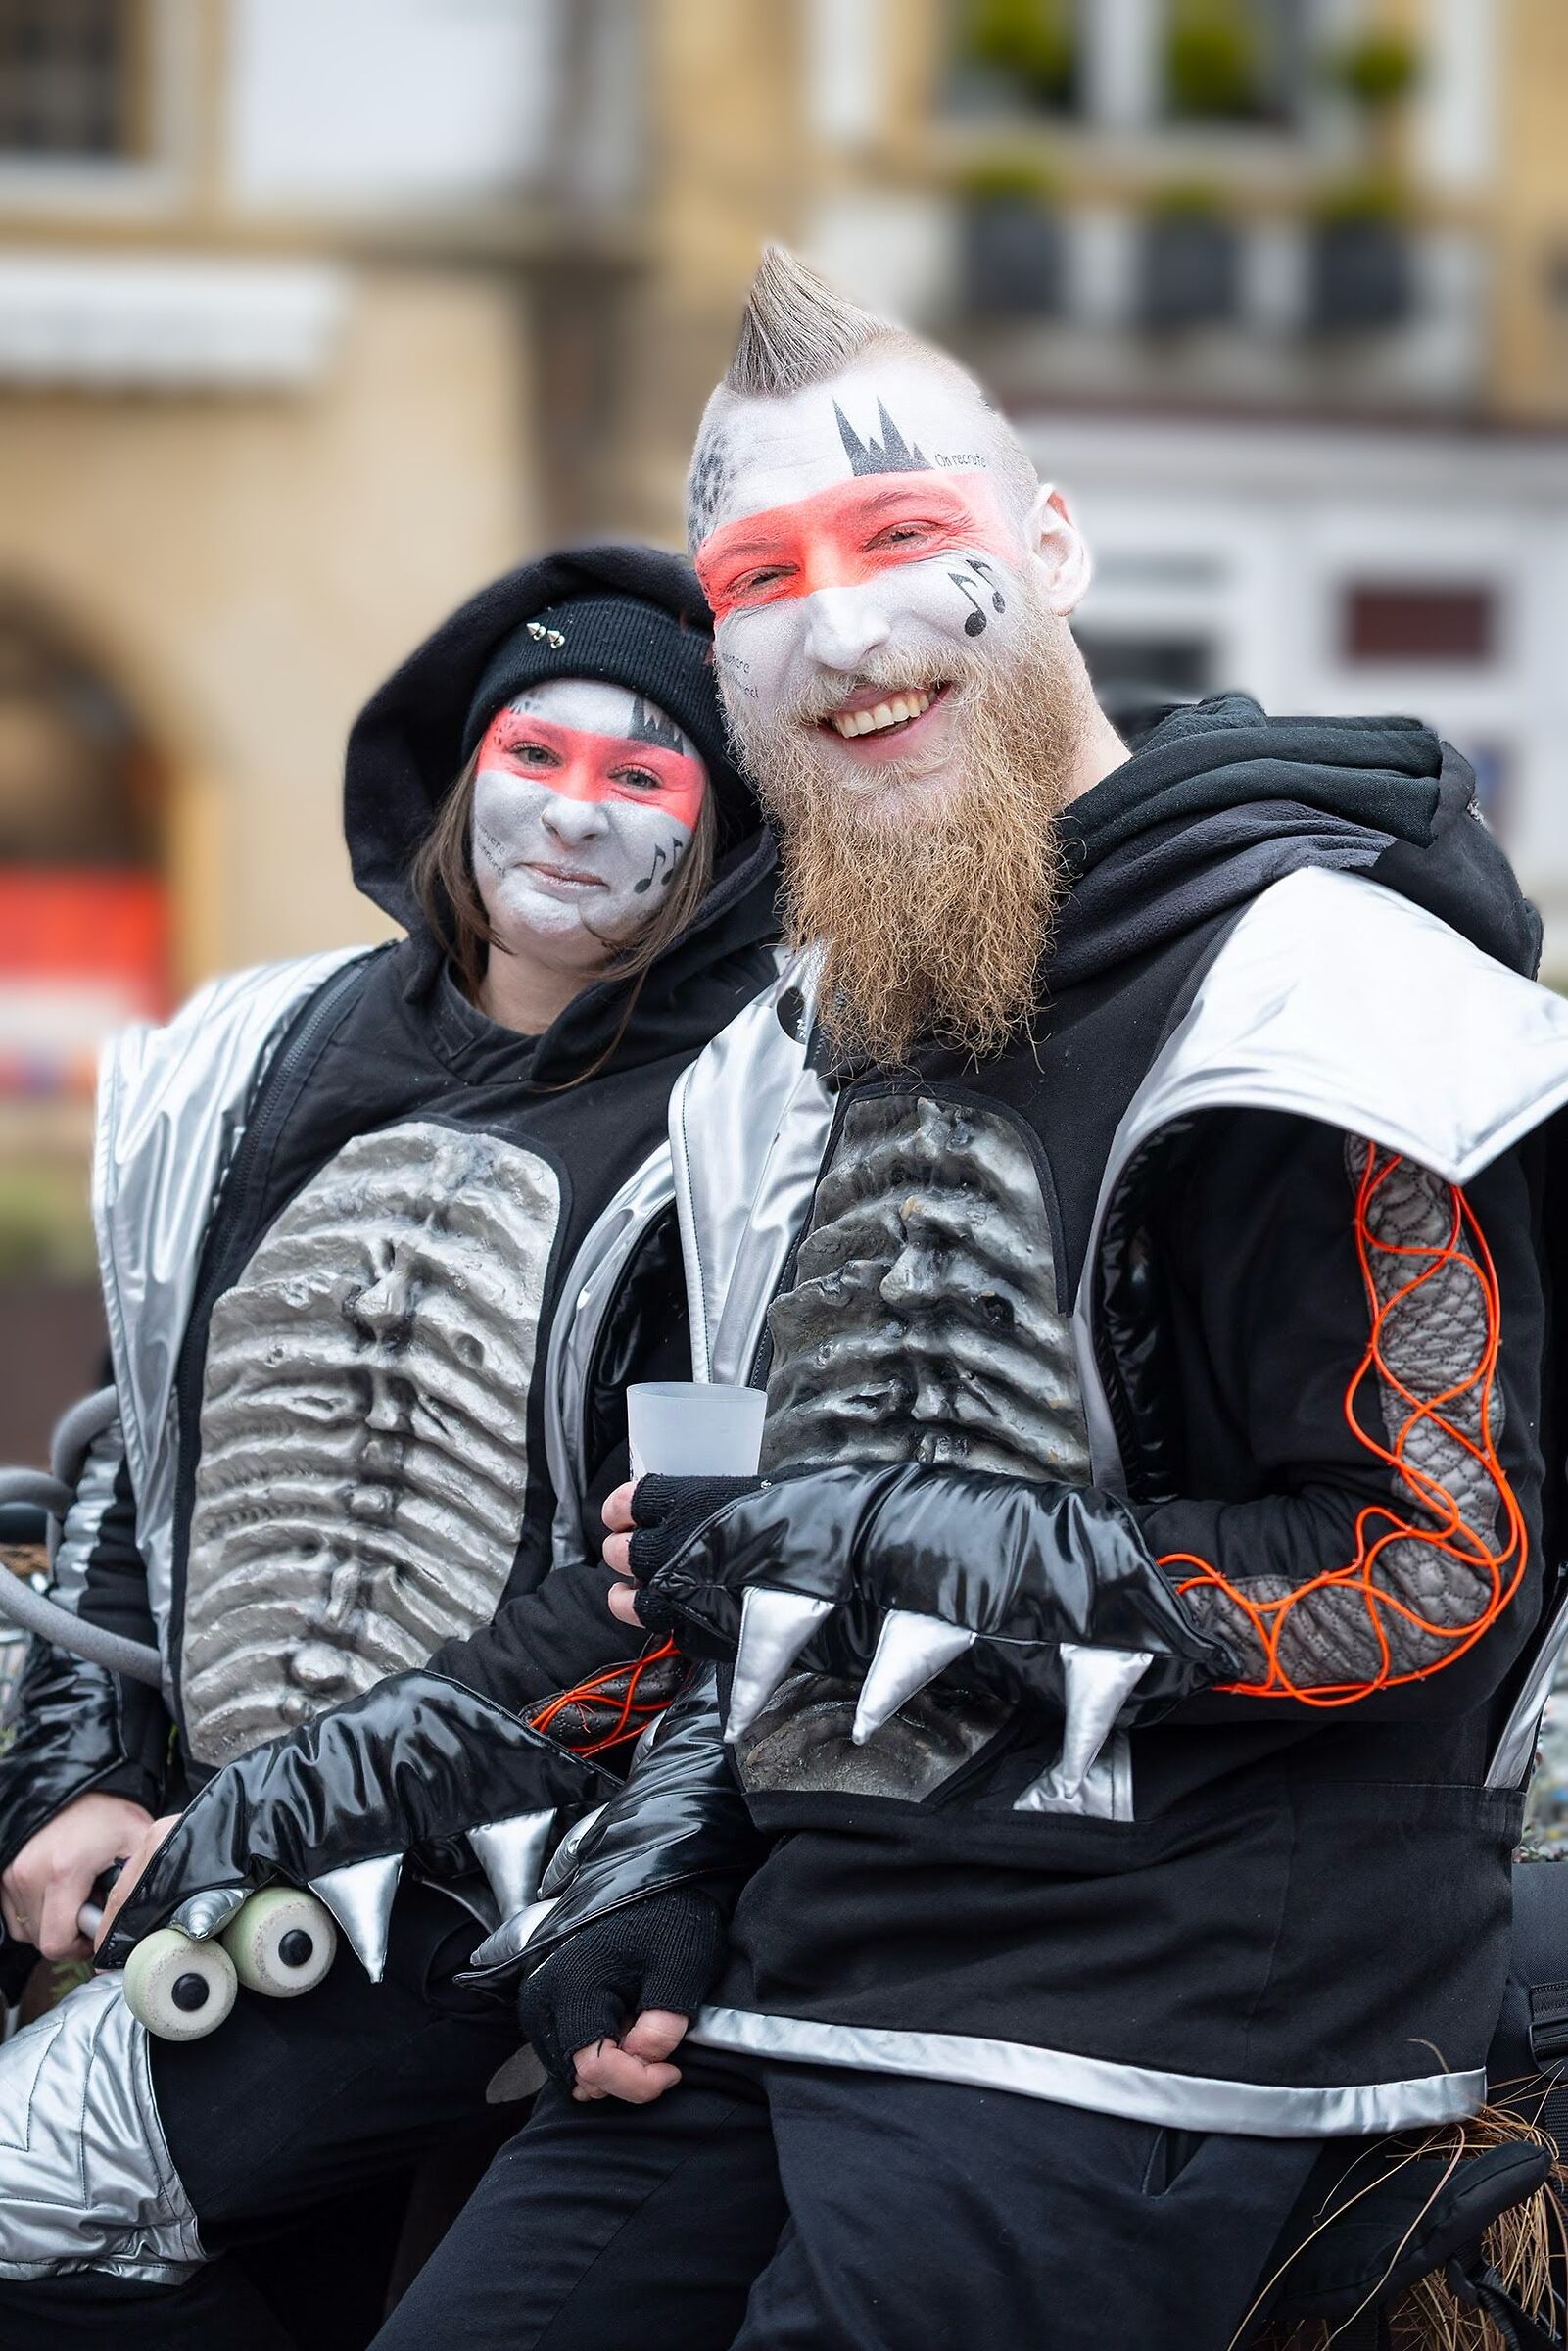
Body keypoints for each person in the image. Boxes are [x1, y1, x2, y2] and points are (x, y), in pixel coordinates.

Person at [365, 250, 1568, 2351]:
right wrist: (660, 1880)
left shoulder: (1326, 1006)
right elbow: (708, 1559)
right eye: (758, 577)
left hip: (1157, 2024)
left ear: (1055, 545)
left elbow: (1419, 1570)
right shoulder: (770, 1059)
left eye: (903, 539)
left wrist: (859, 1536)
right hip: (794, 1975)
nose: (841, 631)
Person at [0, 544, 778, 2348]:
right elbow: (147, 1436)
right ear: (462, 769)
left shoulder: (755, 1129)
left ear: (723, 827)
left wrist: (251, 1824)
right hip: (181, 1830)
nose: (576, 819)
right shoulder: (259, 1054)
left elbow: (663, 1583)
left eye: (643, 778)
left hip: (511, 1878)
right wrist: (77, 1782)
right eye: (539, 757)